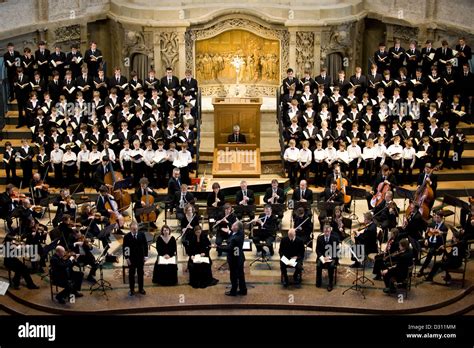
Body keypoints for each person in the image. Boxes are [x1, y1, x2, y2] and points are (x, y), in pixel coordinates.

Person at [216, 221, 247, 296]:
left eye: (233, 225)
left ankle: (233, 291)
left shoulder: (235, 238)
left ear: (237, 227)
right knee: (240, 274)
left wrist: (218, 247)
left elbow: (229, 248)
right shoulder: (239, 233)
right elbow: (232, 235)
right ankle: (243, 290)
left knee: (233, 276)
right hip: (239, 257)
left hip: (234, 259)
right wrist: (229, 231)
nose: (231, 225)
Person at [417, 210, 448, 277]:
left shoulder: (444, 228)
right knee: (417, 243)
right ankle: (417, 260)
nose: (436, 219)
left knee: (430, 252)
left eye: (438, 218)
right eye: (436, 217)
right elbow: (427, 233)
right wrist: (426, 239)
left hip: (437, 245)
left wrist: (440, 234)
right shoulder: (432, 223)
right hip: (429, 242)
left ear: (442, 218)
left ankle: (422, 269)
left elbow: (443, 241)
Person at [123, 221, 148, 296]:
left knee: (140, 273)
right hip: (131, 259)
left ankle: (141, 289)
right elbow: (125, 248)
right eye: (133, 229)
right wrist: (127, 258)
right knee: (131, 274)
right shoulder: (127, 236)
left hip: (140, 258)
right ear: (130, 229)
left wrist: (146, 256)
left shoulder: (142, 234)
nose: (135, 230)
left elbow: (145, 245)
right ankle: (132, 289)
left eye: (136, 229)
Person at [316, 224, 340, 291]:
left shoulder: (335, 239)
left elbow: (336, 250)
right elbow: (317, 250)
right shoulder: (319, 238)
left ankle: (330, 283)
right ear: (323, 231)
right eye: (325, 232)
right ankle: (318, 281)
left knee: (331, 266)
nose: (326, 233)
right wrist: (322, 257)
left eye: (328, 232)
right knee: (318, 265)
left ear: (330, 231)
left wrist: (329, 257)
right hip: (322, 257)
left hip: (331, 257)